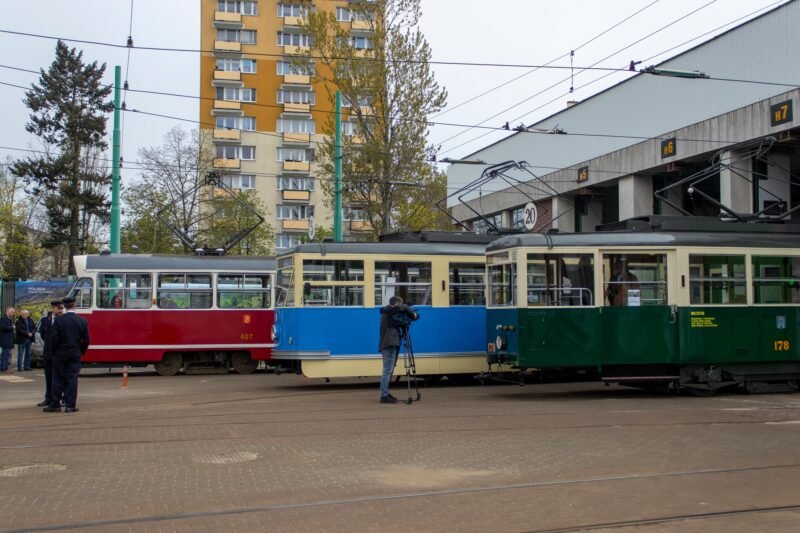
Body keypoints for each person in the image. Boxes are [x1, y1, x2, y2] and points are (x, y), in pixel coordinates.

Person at [45, 297, 90, 413]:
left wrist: (54, 352)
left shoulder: (59, 321)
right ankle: (70, 405)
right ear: (74, 305)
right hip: (75, 353)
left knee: (58, 378)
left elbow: (54, 338)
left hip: (60, 353)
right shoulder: (82, 321)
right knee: (72, 378)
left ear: (64, 306)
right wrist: (81, 351)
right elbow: (86, 340)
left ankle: (55, 404)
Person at [377, 295, 418, 404]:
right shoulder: (390, 311)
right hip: (389, 343)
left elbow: (401, 317)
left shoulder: (387, 312)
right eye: (399, 305)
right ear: (396, 304)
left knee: (388, 369)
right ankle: (384, 395)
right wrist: (413, 314)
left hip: (389, 343)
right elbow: (402, 308)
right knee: (387, 370)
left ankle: (385, 393)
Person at [36, 300, 65, 408]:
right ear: (53, 309)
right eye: (58, 308)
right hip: (48, 353)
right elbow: (44, 335)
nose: (60, 310)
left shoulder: (63, 320)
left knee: (60, 377)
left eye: (61, 308)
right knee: (49, 377)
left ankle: (62, 398)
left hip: (60, 353)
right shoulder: (45, 320)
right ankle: (48, 398)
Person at [0, 307, 14, 372]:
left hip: (8, 339)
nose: (13, 313)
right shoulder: (3, 319)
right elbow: (2, 327)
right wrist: (12, 327)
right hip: (5, 339)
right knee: (5, 354)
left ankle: (4, 367)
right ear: (8, 311)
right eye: (12, 312)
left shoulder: (9, 319)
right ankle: (4, 368)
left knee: (6, 354)